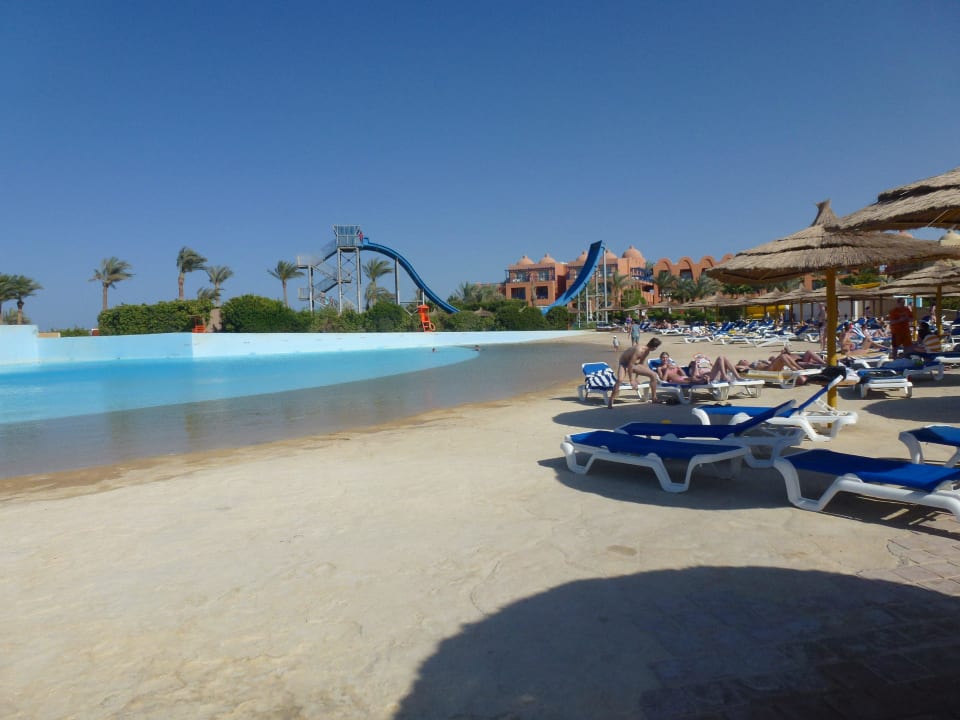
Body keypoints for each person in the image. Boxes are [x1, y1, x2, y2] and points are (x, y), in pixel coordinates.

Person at [608, 337, 661, 408]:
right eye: (656, 347)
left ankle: (654, 398)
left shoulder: (647, 351)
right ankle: (611, 399)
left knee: (653, 375)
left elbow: (641, 364)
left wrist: (636, 377)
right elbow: (630, 365)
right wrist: (631, 380)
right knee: (620, 380)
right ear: (654, 347)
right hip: (623, 363)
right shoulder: (639, 350)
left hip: (632, 364)